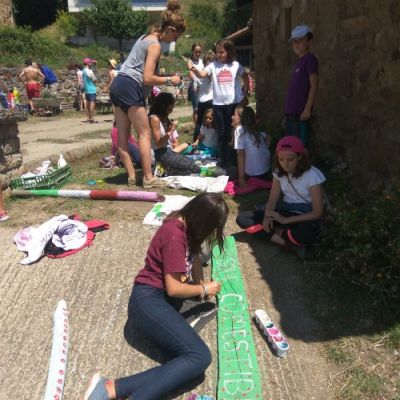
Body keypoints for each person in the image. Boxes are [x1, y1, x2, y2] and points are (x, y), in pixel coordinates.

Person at [83, 193, 227, 400]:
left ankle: (109, 389)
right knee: (199, 357)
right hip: (147, 301)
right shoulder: (174, 234)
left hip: (158, 302)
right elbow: (174, 289)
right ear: (203, 220)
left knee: (188, 371)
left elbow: (194, 256)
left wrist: (199, 282)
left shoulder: (187, 228)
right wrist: (203, 290)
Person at [109, 0, 185, 188]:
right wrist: (169, 80)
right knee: (144, 133)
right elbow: (147, 77)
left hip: (118, 84)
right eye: (176, 36)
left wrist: (166, 76)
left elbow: (146, 73)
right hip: (130, 86)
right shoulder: (155, 45)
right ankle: (149, 178)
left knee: (123, 137)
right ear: (170, 29)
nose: (175, 40)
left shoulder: (146, 37)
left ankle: (132, 177)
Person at [236, 136, 325, 259]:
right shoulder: (279, 172)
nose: (285, 164)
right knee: (243, 218)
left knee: (307, 234)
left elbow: (317, 212)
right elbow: (272, 199)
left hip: (304, 214)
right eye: (281, 159)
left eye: (290, 160)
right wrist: (267, 216)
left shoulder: (312, 175)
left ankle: (277, 233)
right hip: (285, 209)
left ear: (300, 156)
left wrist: (284, 220)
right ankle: (286, 243)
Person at [188, 39, 249, 168]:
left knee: (234, 131)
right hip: (218, 105)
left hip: (232, 104)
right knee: (222, 132)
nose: (219, 55)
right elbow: (203, 74)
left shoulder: (236, 65)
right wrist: (194, 69)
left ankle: (234, 160)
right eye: (217, 52)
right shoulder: (213, 65)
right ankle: (223, 159)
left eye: (222, 52)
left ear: (229, 52)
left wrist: (245, 89)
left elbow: (245, 75)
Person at [149, 92, 201, 175]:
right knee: (194, 170)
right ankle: (165, 171)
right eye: (170, 109)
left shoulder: (163, 117)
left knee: (194, 167)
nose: (172, 111)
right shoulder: (154, 119)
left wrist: (170, 128)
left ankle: (166, 170)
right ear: (163, 106)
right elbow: (159, 143)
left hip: (168, 151)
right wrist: (172, 130)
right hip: (161, 154)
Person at [285, 24, 319, 146]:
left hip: (301, 111)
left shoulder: (310, 59)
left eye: (300, 40)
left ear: (309, 41)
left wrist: (307, 109)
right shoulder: (299, 62)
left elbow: (313, 86)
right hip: (292, 111)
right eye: (294, 41)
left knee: (300, 147)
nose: (296, 44)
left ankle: (304, 165)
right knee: (292, 146)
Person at [232, 106, 271, 188]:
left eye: (234, 115)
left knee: (226, 171)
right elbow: (268, 137)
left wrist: (241, 179)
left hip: (253, 175)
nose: (232, 117)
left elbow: (241, 155)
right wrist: (265, 149)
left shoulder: (239, 130)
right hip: (266, 171)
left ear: (241, 119)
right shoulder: (254, 131)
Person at [193, 51, 214, 141]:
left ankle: (195, 141)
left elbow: (195, 90)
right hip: (211, 100)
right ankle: (211, 140)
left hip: (201, 101)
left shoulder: (198, 73)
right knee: (212, 122)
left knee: (199, 123)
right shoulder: (212, 72)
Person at [187, 43, 203, 125]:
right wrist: (196, 80)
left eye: (199, 52)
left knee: (203, 107)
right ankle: (197, 127)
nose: (198, 54)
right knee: (196, 108)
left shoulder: (202, 61)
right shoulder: (190, 61)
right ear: (192, 51)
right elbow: (190, 73)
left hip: (203, 85)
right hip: (194, 85)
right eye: (196, 52)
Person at [82, 58, 98, 123]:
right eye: (90, 62)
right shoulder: (90, 71)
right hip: (92, 89)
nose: (91, 63)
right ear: (88, 63)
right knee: (92, 103)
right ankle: (92, 118)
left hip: (87, 90)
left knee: (87, 104)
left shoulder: (83, 71)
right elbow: (94, 79)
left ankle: (88, 118)